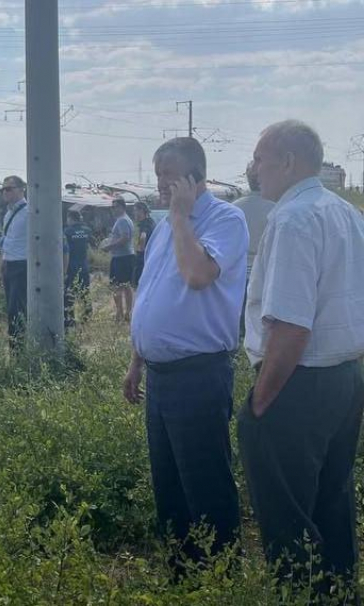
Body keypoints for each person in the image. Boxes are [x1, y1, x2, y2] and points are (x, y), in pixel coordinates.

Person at [239, 120, 364, 596]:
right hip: (344, 379)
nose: (254, 170)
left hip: (299, 381)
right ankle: (338, 590)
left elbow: (291, 327)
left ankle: (298, 593)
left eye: (259, 159)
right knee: (332, 498)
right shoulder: (346, 214)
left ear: (288, 161)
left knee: (286, 510)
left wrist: (262, 399)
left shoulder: (293, 219)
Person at [123, 137, 248, 579]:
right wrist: (137, 359)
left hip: (199, 374)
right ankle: (184, 574)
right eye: (157, 176)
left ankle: (222, 576)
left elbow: (196, 275)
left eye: (170, 175)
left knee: (205, 483)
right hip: (160, 374)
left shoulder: (226, 220)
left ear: (197, 177)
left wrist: (180, 216)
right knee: (170, 485)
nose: (161, 184)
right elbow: (154, 291)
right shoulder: (163, 228)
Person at [233, 162, 274, 335]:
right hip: (265, 277)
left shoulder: (234, 208)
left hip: (237, 275)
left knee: (239, 325)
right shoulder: (277, 209)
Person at [0, 175, 28, 347]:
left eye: (9, 189)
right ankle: (15, 348)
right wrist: (1, 269)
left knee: (17, 310)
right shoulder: (8, 213)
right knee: (11, 309)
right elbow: (6, 243)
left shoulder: (30, 211)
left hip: (22, 265)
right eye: (3, 189)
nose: (5, 192)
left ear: (21, 189)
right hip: (9, 265)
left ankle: (19, 350)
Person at [102, 198, 135, 322]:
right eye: (112, 206)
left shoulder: (122, 220)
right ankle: (127, 313)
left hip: (121, 257)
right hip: (126, 256)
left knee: (117, 286)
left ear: (122, 207)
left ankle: (120, 313)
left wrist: (109, 247)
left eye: (115, 206)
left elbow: (125, 238)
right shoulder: (125, 219)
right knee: (126, 286)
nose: (113, 209)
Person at [63, 209, 92, 327]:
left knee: (69, 293)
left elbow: (65, 249)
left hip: (71, 265)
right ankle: (87, 315)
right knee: (85, 291)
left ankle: (70, 318)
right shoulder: (87, 230)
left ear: (70, 218)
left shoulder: (67, 232)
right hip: (84, 265)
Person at [132, 202, 156, 288]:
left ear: (142, 211)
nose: (135, 213)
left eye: (136, 210)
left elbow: (143, 236)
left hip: (143, 258)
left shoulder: (145, 223)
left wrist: (140, 248)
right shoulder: (151, 222)